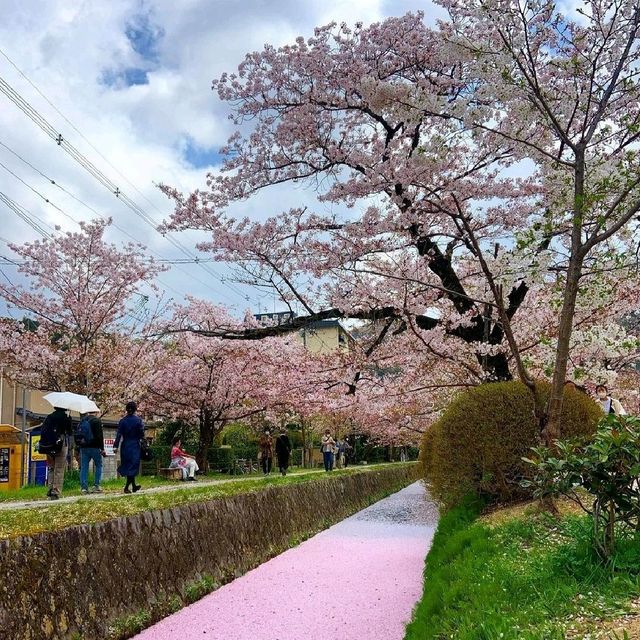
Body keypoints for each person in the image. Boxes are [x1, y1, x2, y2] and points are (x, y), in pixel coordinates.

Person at [113, 401, 145, 493]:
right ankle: (126, 487)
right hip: (135, 445)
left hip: (125, 445)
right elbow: (141, 433)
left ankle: (134, 486)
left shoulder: (122, 421)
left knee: (128, 465)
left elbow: (119, 434)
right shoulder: (138, 420)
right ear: (135, 409)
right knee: (133, 466)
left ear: (126, 410)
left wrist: (115, 446)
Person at [43, 406, 72, 500]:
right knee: (59, 468)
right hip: (61, 444)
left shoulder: (49, 417)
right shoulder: (65, 417)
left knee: (51, 468)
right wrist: (68, 418)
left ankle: (50, 488)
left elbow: (44, 430)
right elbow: (70, 431)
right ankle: (56, 491)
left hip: (48, 445)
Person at [79, 410, 106, 494]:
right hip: (95, 447)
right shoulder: (97, 421)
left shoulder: (83, 420)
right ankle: (96, 486)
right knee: (98, 465)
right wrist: (102, 448)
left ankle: (84, 487)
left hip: (84, 447)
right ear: (95, 412)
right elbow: (99, 436)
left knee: (84, 467)